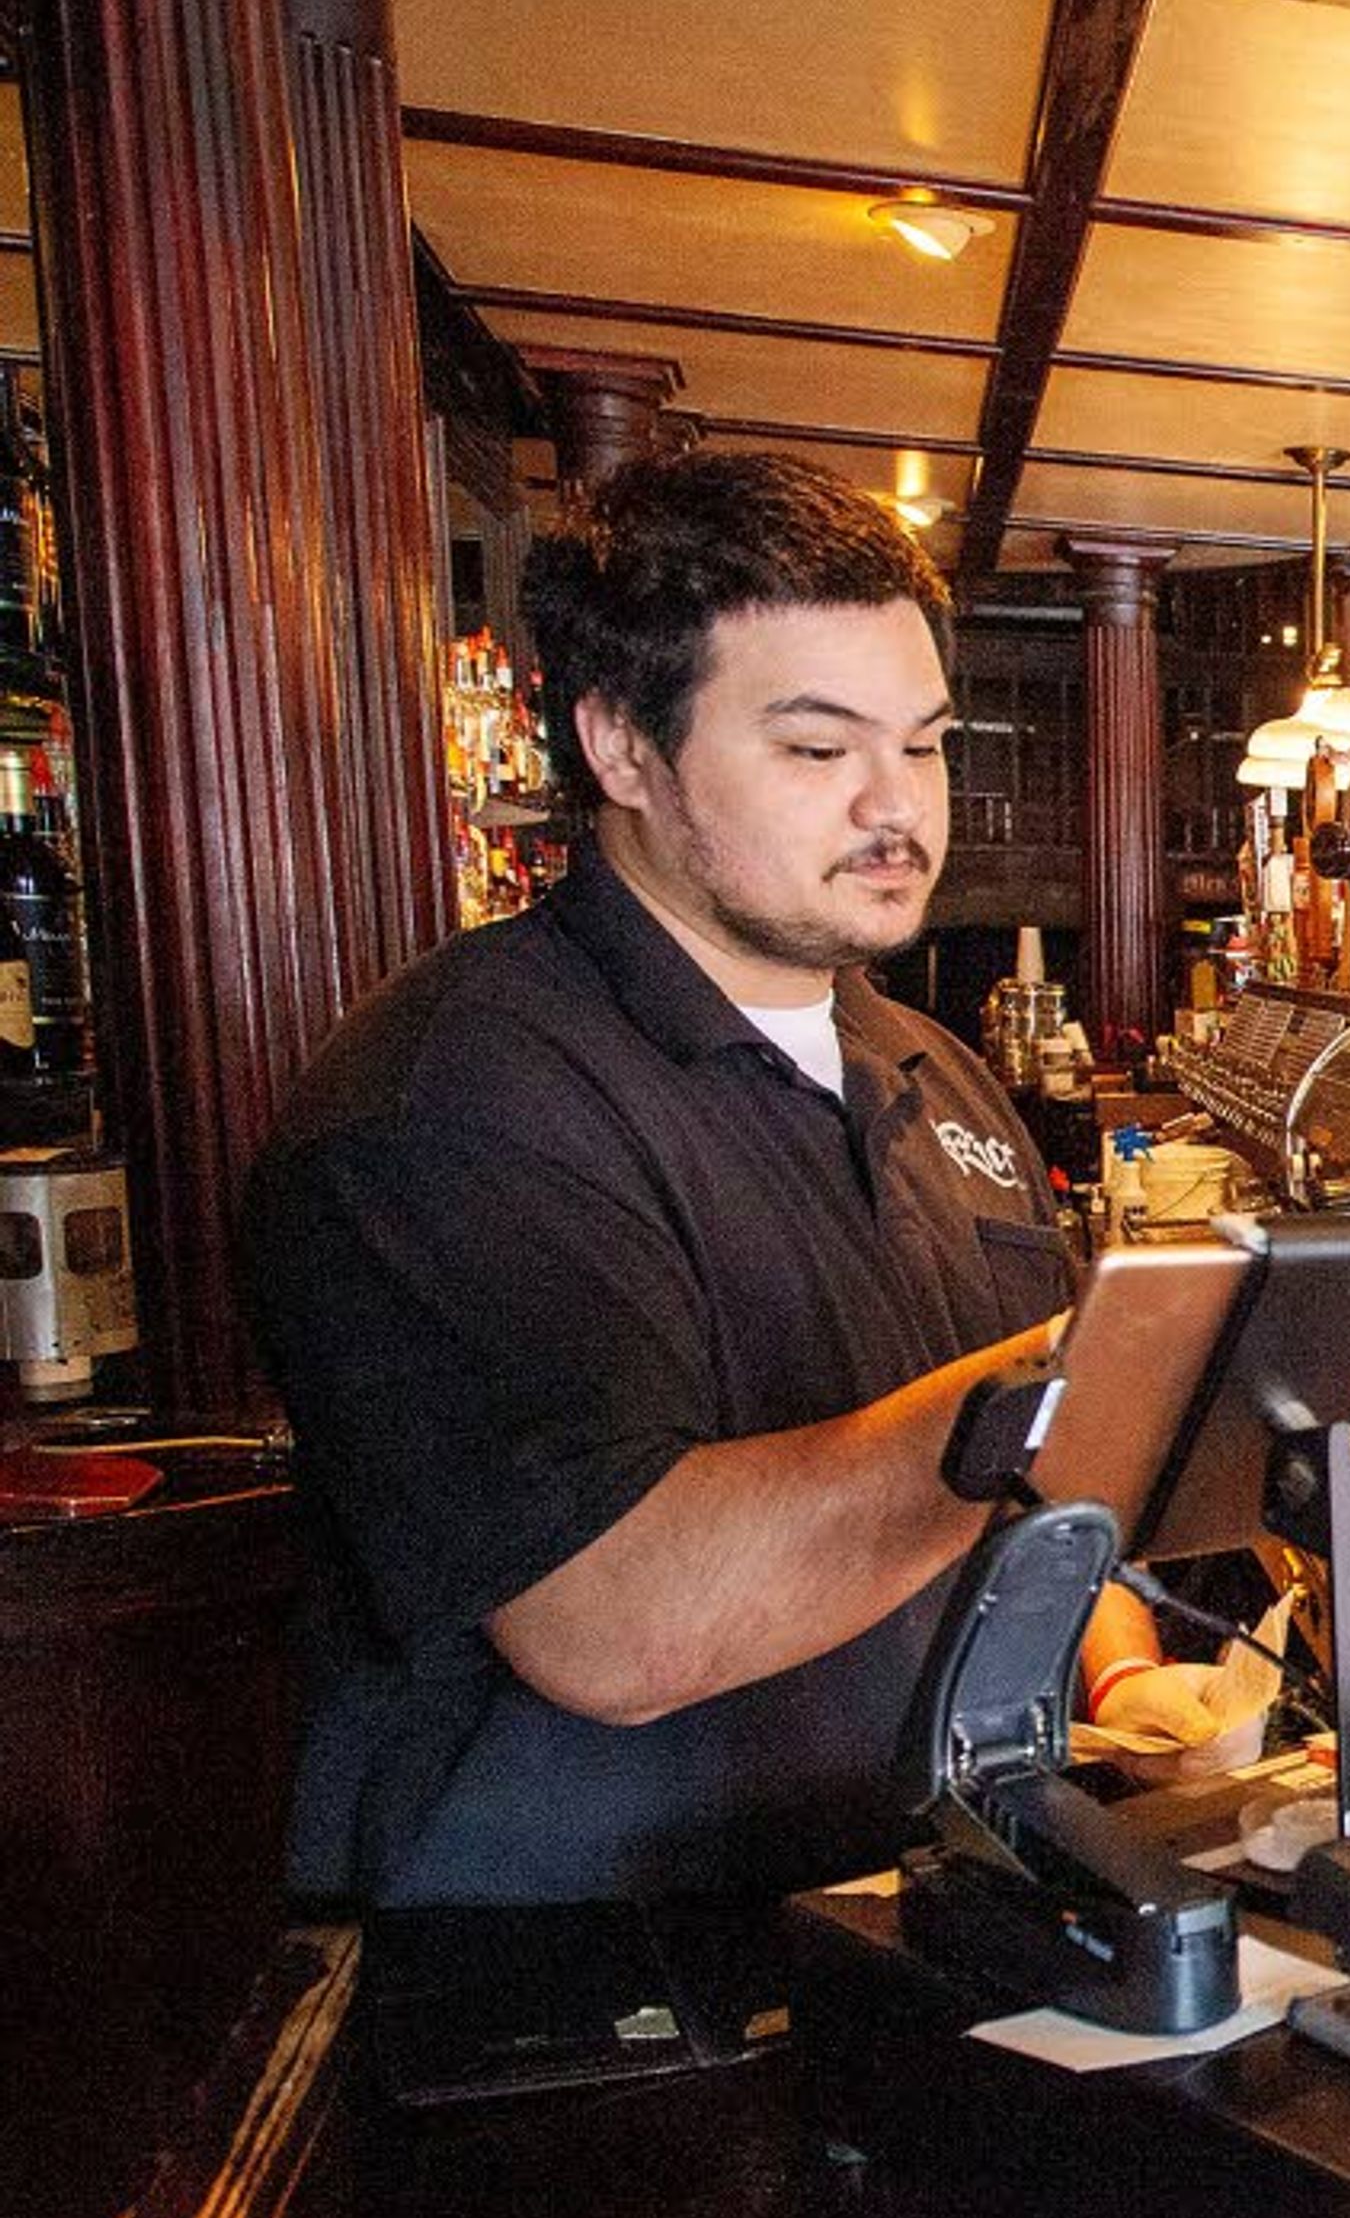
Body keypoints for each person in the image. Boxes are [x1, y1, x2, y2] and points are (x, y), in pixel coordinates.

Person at [248, 451, 1167, 1910]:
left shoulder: (933, 1067)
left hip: (907, 1920)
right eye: (817, 750)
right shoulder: (454, 1101)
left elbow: (1029, 1509)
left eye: (922, 744)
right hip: (585, 1992)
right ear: (621, 747)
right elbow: (612, 1626)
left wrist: (1119, 1666)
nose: (895, 805)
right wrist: (1073, 1377)